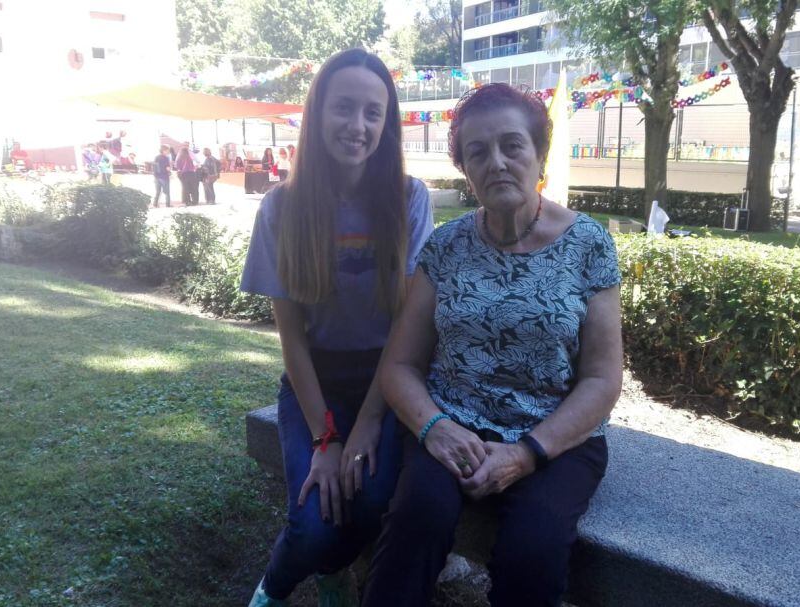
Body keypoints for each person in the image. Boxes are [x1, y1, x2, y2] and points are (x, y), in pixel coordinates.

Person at [362, 83, 624, 607]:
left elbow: (602, 378)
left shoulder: (589, 244)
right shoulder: (447, 245)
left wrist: (526, 453)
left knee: (534, 549)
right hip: (451, 422)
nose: (497, 162)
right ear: (465, 169)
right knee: (417, 518)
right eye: (478, 152)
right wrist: (434, 427)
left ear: (538, 155)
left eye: (512, 145)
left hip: (553, 438)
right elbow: (399, 365)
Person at [240, 48, 433, 607]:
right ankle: (279, 587)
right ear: (318, 113)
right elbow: (292, 338)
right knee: (315, 519)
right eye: (344, 108)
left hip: (388, 379)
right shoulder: (281, 208)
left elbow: (405, 328)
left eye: (374, 112)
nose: (358, 126)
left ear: (387, 122)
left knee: (370, 502)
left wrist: (372, 421)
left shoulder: (408, 198)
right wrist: (326, 435)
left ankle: (332, 569)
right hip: (314, 386)